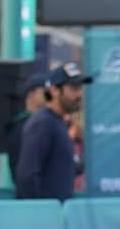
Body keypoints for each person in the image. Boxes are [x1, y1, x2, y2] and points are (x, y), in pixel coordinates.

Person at [14, 62, 91, 201]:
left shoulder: (58, 123)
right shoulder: (43, 123)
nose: (79, 94)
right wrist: (44, 213)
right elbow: (27, 177)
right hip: (44, 218)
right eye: (73, 88)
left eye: (80, 88)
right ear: (55, 90)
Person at [5, 70, 49, 181]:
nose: (50, 95)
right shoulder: (20, 126)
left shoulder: (48, 123)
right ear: (31, 95)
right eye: (45, 91)